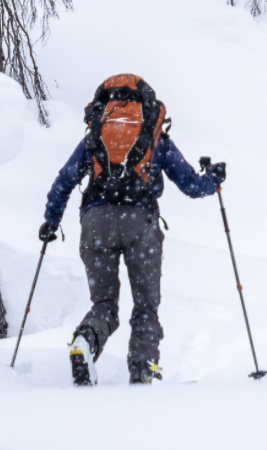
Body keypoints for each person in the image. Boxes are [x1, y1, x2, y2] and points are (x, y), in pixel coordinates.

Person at [39, 74, 225, 387]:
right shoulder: (154, 138)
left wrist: (51, 221)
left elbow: (64, 181)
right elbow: (191, 186)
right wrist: (214, 180)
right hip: (141, 223)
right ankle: (143, 368)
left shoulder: (94, 138)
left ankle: (86, 341)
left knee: (104, 304)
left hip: (95, 224)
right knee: (145, 306)